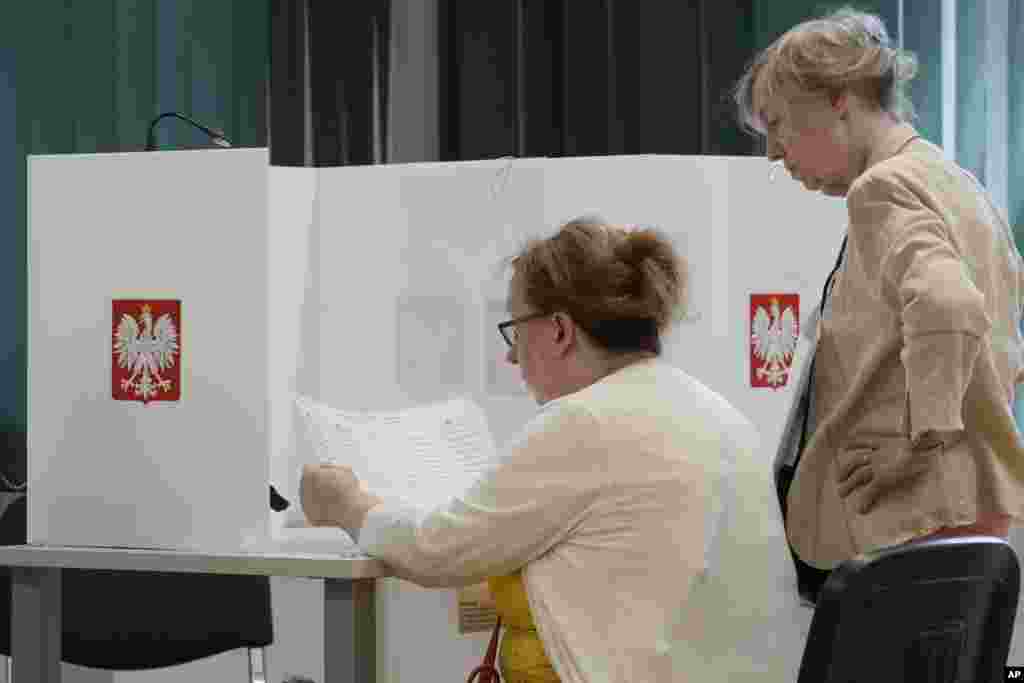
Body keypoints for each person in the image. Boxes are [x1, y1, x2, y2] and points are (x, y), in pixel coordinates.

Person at [299, 218, 762, 683]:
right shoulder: (718, 414)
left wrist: (345, 503)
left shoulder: (585, 422)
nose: (512, 357)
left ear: (560, 330)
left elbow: (435, 550)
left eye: (515, 331)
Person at [734, 6, 1024, 579]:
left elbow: (948, 307)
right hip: (972, 507)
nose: (773, 153)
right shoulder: (957, 183)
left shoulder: (883, 188)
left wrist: (923, 441)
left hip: (915, 516)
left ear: (839, 100)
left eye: (779, 123)